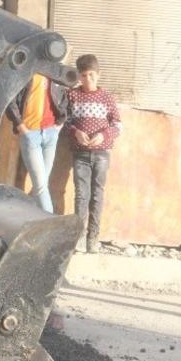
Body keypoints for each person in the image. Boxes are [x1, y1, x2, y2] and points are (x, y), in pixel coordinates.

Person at [65, 54, 120, 253]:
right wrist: (75, 132)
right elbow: (66, 121)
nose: (88, 80)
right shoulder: (72, 95)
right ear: (79, 77)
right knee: (81, 195)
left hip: (102, 154)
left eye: (91, 75)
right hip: (80, 154)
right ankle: (78, 239)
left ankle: (93, 238)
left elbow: (117, 124)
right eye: (84, 76)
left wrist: (104, 135)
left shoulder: (106, 98)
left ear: (98, 75)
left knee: (97, 195)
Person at [5, 72, 69, 213]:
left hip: (51, 133)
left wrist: (60, 123)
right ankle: (51, 224)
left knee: (41, 184)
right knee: (40, 186)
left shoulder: (53, 73)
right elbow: (10, 98)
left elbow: (64, 97)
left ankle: (29, 215)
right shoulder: (26, 72)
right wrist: (20, 126)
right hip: (30, 134)